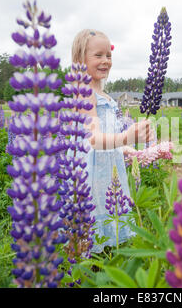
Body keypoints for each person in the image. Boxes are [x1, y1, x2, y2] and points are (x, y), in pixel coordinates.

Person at [70, 29, 154, 253]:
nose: (106, 61)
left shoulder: (105, 95)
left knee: (107, 206)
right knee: (93, 210)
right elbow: (93, 139)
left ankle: (106, 256)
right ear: (80, 59)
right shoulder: (83, 91)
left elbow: (107, 133)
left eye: (108, 55)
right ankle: (90, 268)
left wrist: (125, 148)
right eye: (98, 55)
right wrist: (126, 137)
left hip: (108, 165)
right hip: (89, 167)